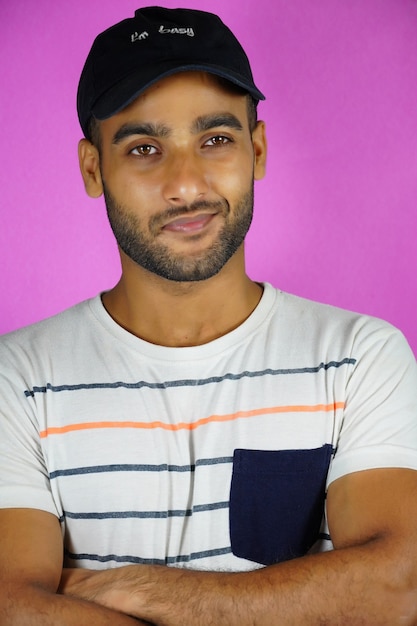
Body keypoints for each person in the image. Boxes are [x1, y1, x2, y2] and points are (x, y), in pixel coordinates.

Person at [1, 6, 417, 625]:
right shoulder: (17, 379)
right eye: (144, 148)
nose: (186, 183)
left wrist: (141, 592)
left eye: (215, 140)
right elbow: (12, 607)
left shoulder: (361, 357)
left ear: (257, 149)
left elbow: (396, 591)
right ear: (94, 169)